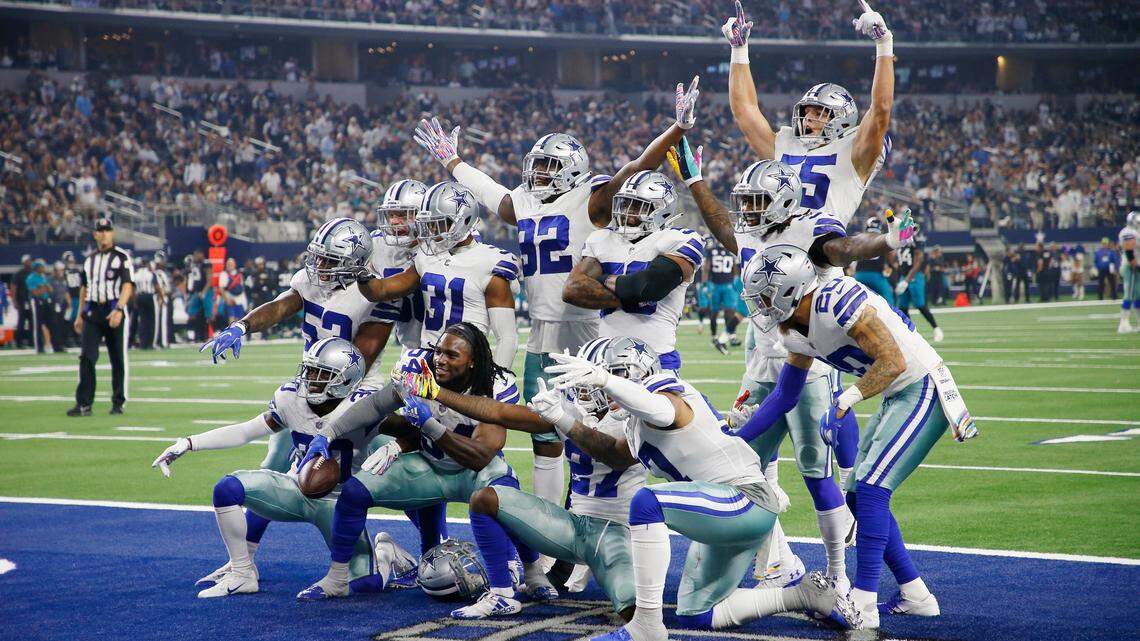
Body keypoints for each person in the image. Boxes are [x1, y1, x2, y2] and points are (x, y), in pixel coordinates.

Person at [411, 77, 699, 514]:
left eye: (547, 166)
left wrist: (676, 130)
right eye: (536, 165)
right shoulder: (525, 200)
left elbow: (637, 167)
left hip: (586, 328)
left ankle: (593, 515)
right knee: (545, 433)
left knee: (593, 431)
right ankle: (551, 534)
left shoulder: (592, 200)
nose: (538, 173)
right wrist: (454, 164)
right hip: (542, 330)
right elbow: (493, 196)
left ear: (571, 169)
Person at [678, 150, 909, 591]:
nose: (746, 211)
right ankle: (775, 563)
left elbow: (844, 248)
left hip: (809, 362)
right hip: (761, 363)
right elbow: (721, 224)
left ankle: (839, 574)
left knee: (814, 469)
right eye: (744, 202)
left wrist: (884, 243)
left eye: (755, 202)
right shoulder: (750, 231)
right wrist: (695, 181)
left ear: (784, 202)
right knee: (742, 467)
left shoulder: (812, 225)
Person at [535, 336, 856, 641]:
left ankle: (646, 627)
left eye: (595, 382)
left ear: (628, 374)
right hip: (725, 513)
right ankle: (806, 595)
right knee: (697, 614)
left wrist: (607, 382)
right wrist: (562, 418)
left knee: (648, 502)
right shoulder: (634, 421)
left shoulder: (661, 391)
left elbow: (658, 409)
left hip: (745, 500)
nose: (590, 393)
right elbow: (613, 454)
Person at [738, 245, 976, 629]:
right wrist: (738, 437)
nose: (759, 307)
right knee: (857, 495)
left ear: (790, 289)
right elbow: (784, 395)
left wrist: (844, 400)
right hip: (898, 393)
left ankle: (863, 603)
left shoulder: (837, 301)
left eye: (764, 296)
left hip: (923, 386)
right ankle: (916, 594)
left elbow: (894, 361)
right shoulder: (795, 332)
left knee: (871, 489)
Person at [196, 216, 436, 587]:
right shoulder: (311, 279)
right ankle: (245, 562)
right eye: (318, 258)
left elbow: (362, 356)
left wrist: (332, 414)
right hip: (312, 386)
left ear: (354, 262)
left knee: (397, 479)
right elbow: (281, 305)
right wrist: (241, 325)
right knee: (277, 466)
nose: (318, 267)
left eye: (328, 260)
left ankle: (427, 550)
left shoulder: (374, 293)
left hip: (358, 394)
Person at [296, 323, 556, 605]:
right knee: (354, 493)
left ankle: (533, 572)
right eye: (438, 351)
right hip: (431, 466)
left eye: (452, 355)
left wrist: (430, 426)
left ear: (472, 362)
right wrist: (327, 434)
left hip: (475, 471)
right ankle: (337, 579)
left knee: (508, 501)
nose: (440, 360)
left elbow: (480, 455)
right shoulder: (418, 370)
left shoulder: (494, 384)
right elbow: (374, 405)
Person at [395, 336, 646, 620]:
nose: (583, 386)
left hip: (615, 531)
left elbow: (616, 455)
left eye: (593, 377)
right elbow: (498, 411)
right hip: (573, 526)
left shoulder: (640, 416)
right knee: (486, 499)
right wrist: (437, 392)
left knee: (633, 609)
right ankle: (503, 594)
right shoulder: (572, 407)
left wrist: (562, 419)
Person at [151, 338, 415, 598]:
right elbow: (246, 430)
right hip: (296, 488)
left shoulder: (363, 405)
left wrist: (395, 447)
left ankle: (384, 553)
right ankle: (242, 572)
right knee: (228, 488)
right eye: (309, 369)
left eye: (320, 373)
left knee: (364, 586)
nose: (309, 378)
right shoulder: (291, 399)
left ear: (344, 380)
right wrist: (188, 443)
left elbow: (413, 433)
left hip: (339, 504)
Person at [725, 0, 894, 227]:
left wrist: (884, 44)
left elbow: (881, 109)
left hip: (821, 255)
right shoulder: (786, 143)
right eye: (806, 112)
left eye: (820, 113)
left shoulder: (855, 151)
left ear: (843, 120)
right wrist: (739, 50)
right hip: (775, 246)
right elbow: (744, 111)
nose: (808, 118)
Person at [562, 170, 703, 374]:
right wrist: (630, 296)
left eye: (637, 205)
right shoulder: (601, 239)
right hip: (605, 359)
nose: (627, 212)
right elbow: (573, 290)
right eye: (625, 204)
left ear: (660, 210)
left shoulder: (680, 239)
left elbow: (647, 287)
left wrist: (603, 280)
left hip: (657, 359)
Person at [69, 218, 134, 416]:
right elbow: (84, 288)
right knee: (87, 357)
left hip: (114, 309)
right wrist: (79, 314)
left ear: (112, 233)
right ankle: (84, 404)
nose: (104, 233)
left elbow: (127, 285)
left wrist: (119, 309)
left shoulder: (122, 257)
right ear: (95, 234)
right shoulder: (89, 261)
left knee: (117, 358)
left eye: (107, 230)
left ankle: (118, 402)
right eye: (101, 230)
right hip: (92, 312)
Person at [894, 227, 944, 341]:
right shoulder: (900, 239)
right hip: (903, 276)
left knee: (920, 305)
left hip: (915, 277)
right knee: (902, 307)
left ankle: (936, 328)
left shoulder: (916, 239)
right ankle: (911, 333)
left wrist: (906, 280)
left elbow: (918, 262)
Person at [25, 259, 58, 353]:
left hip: (45, 301)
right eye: (42, 266)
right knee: (37, 324)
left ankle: (48, 344)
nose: (44, 268)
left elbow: (50, 289)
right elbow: (36, 292)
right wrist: (44, 288)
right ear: (37, 268)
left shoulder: (43, 277)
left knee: (48, 324)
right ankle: (38, 347)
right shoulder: (31, 278)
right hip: (36, 302)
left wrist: (43, 288)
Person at [1118, 211, 1139, 333]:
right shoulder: (1128, 232)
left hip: (1136, 265)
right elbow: (1129, 251)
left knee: (1138, 294)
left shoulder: (1135, 232)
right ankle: (1123, 323)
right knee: (1129, 294)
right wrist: (1135, 265)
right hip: (1131, 266)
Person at [13, 254, 33, 348]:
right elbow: (14, 287)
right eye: (28, 261)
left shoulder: (32, 272)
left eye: (30, 261)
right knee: (21, 321)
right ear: (24, 262)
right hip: (22, 300)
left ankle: (31, 341)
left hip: (31, 300)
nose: (30, 262)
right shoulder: (19, 273)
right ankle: (19, 342)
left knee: (32, 321)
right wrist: (14, 300)